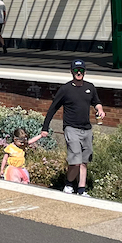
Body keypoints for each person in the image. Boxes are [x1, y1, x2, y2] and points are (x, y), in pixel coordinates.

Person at [32, 58, 104, 195]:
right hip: (71, 128)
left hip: (87, 129)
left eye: (81, 70)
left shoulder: (90, 87)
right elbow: (53, 108)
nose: (79, 73)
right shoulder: (65, 89)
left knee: (84, 162)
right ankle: (69, 184)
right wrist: (45, 128)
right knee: (75, 161)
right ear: (71, 71)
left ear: (85, 72)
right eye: (76, 70)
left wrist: (100, 110)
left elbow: (97, 102)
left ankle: (82, 189)